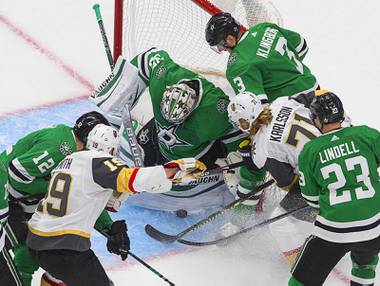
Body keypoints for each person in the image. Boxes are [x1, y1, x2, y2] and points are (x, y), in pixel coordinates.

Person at [26, 124, 206, 286]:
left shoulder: (68, 162)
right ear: (110, 149)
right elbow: (131, 179)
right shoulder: (99, 162)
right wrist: (172, 171)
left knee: (58, 277)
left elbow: (104, 201)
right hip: (64, 248)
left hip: (37, 243)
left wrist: (111, 229)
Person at [90, 48, 266, 213]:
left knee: (235, 162)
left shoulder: (216, 111)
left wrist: (245, 198)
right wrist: (120, 87)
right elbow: (147, 58)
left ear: (192, 110)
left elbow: (250, 152)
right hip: (157, 137)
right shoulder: (164, 77)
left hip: (196, 156)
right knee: (142, 163)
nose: (172, 126)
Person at [0, 111, 110, 286]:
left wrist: (109, 228)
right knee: (31, 249)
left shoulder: (75, 149)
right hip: (7, 198)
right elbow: (16, 174)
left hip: (19, 200)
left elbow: (81, 197)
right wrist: (53, 187)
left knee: (39, 249)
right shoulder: (61, 146)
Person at [289, 92, 380, 285]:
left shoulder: (311, 151)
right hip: (375, 229)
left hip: (334, 233)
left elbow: (312, 199)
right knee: (365, 264)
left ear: (319, 119)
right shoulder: (366, 134)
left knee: (299, 282)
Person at [226, 90, 322, 227]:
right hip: (342, 149)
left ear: (247, 120)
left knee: (280, 222)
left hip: (328, 179)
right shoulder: (281, 102)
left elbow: (290, 184)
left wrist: (255, 162)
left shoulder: (262, 150)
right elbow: (316, 96)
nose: (240, 127)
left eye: (240, 123)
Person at [205, 12, 319, 104]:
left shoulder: (237, 66)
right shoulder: (264, 27)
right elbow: (302, 46)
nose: (222, 50)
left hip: (294, 105)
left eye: (220, 46)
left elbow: (256, 105)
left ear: (230, 39)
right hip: (315, 89)